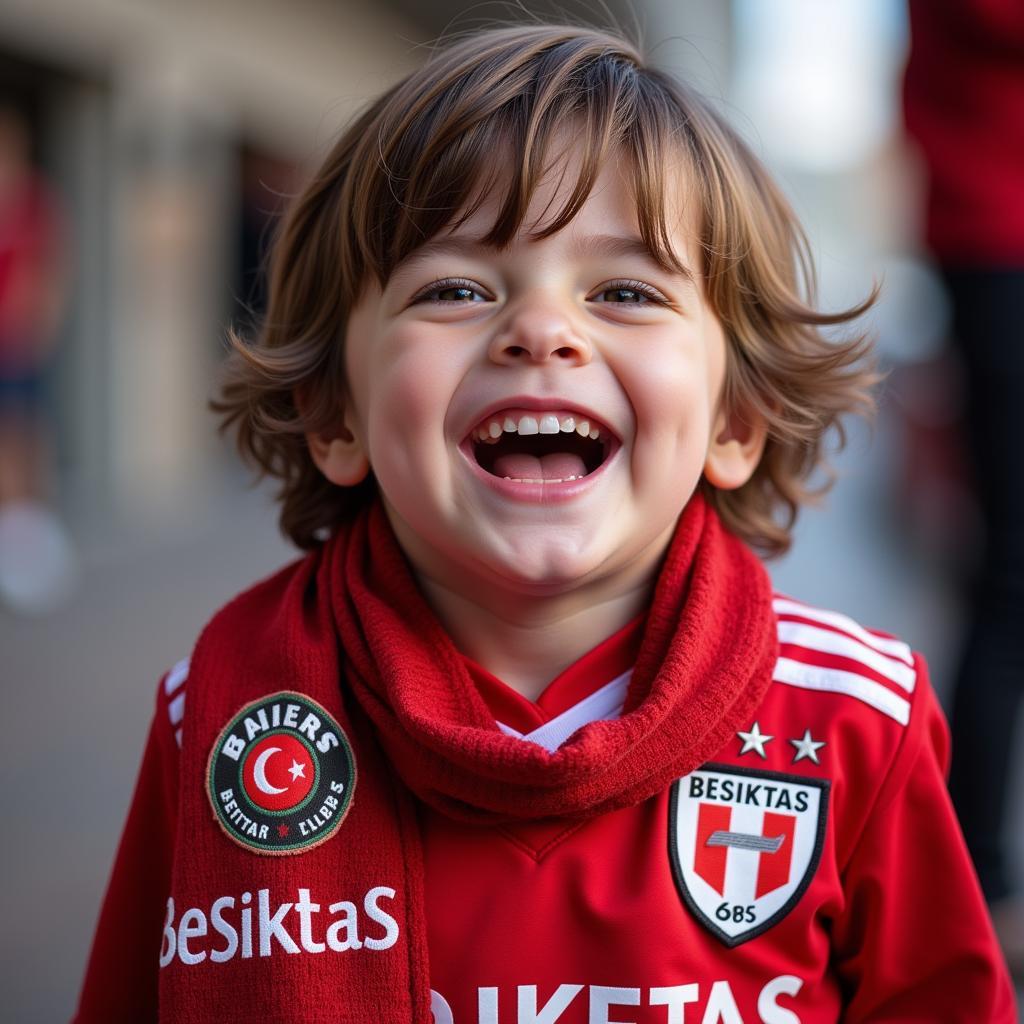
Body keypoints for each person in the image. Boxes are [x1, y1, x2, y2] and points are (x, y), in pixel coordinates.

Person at [73, 24, 1015, 1023]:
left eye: (623, 291)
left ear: (734, 420)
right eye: (454, 289)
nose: (541, 330)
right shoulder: (219, 721)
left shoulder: (853, 719)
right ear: (336, 415)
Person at [903, 0, 1024, 979]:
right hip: (1001, 240)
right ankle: (978, 878)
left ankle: (981, 877)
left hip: (989, 234)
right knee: (1012, 579)